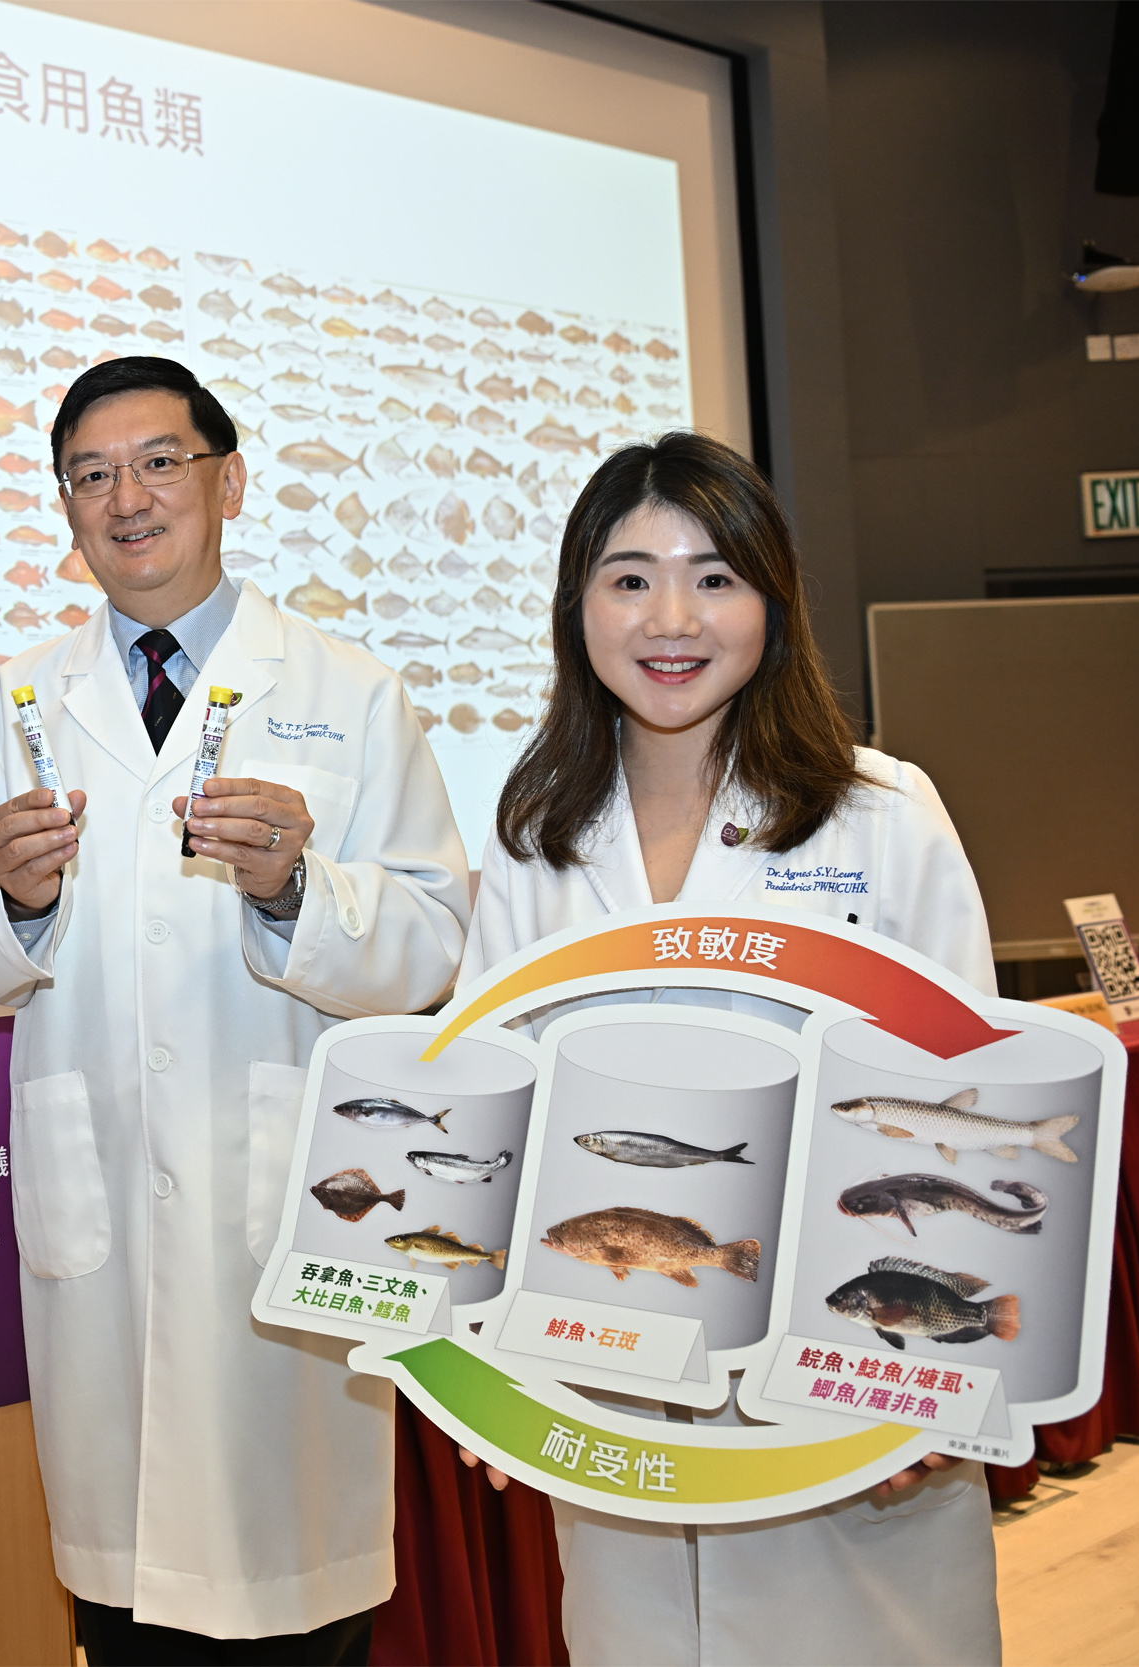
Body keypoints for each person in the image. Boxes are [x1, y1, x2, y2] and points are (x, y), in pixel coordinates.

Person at [0, 357, 471, 1664]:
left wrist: (298, 891)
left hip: (285, 1219)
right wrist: (14, 903)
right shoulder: (16, 706)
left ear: (228, 478)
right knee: (126, 1615)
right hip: (100, 1227)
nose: (128, 497)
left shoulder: (351, 692)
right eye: (92, 475)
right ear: (66, 508)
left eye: (159, 461)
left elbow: (433, 942)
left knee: (301, 1605)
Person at [456, 431, 999, 1666]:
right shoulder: (537, 834)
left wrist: (937, 1388)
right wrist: (483, 1369)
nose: (671, 616)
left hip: (847, 1377)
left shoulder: (879, 810)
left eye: (714, 575)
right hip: (608, 1375)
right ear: (576, 604)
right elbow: (497, 1115)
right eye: (628, 575)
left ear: (771, 598)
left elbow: (958, 1093)